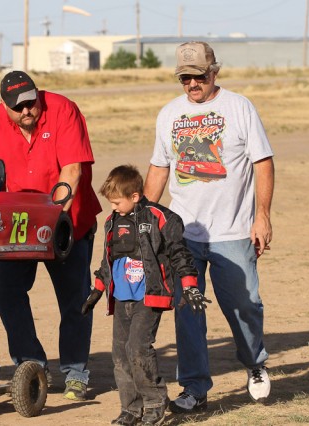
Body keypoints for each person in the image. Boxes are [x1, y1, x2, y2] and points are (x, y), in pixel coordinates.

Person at [143, 41, 275, 413]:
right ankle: (194, 387)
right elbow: (159, 168)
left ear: (214, 71)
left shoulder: (239, 107)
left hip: (233, 231)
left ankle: (254, 363)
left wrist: (262, 215)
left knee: (245, 305)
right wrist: (144, 220)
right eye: (184, 78)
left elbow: (263, 162)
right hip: (183, 234)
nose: (192, 84)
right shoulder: (169, 113)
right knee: (188, 310)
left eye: (199, 76)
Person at [0, 70, 102, 401]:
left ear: (38, 95)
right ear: (4, 105)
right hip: (19, 227)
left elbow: (73, 169)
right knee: (6, 291)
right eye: (18, 106)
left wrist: (54, 219)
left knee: (75, 299)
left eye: (31, 102)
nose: (26, 110)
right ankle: (32, 366)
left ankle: (75, 373)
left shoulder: (63, 110)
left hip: (68, 222)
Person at [81, 165, 209, 426]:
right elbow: (107, 260)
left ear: (135, 196)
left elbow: (179, 253)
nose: (113, 207)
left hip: (148, 297)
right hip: (121, 298)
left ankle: (154, 402)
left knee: (138, 348)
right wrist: (97, 290)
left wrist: (190, 285)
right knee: (120, 354)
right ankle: (131, 408)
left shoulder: (161, 218)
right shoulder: (112, 221)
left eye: (117, 202)